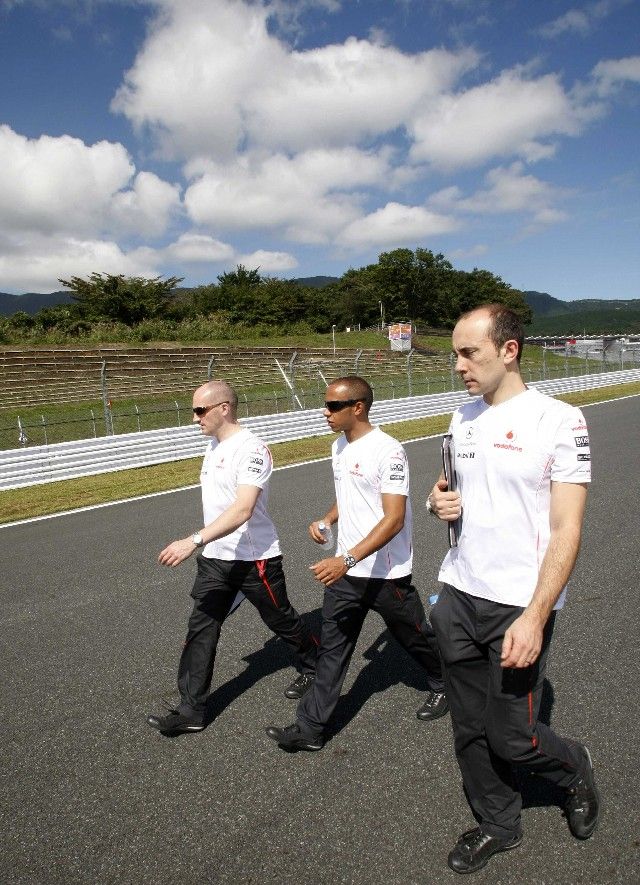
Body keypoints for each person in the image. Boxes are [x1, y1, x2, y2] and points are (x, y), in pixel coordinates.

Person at [426, 304, 600, 874]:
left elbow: (566, 527)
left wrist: (536, 614)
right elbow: (449, 487)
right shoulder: (462, 415)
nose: (458, 365)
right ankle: (499, 823)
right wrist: (437, 502)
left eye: (468, 353)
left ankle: (574, 767)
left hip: (518, 606)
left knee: (515, 737)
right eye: (455, 353)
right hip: (458, 593)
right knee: (469, 726)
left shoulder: (560, 420)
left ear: (509, 350)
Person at [265, 375, 446, 752]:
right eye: (326, 404)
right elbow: (348, 495)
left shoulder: (389, 450)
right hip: (346, 572)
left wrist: (346, 559)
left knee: (413, 636)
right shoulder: (339, 446)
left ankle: (444, 682)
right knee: (334, 648)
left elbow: (394, 519)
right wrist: (328, 520)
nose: (324, 412)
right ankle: (311, 728)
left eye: (333, 406)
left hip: (385, 573)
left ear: (358, 407)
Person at [146, 380, 317, 735]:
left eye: (199, 410)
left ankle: (316, 667)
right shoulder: (213, 446)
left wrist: (192, 540)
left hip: (255, 558)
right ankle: (191, 709)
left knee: (281, 620)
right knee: (201, 628)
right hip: (216, 558)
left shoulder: (252, 449)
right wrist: (205, 544)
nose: (194, 418)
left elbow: (243, 509)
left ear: (224, 408)